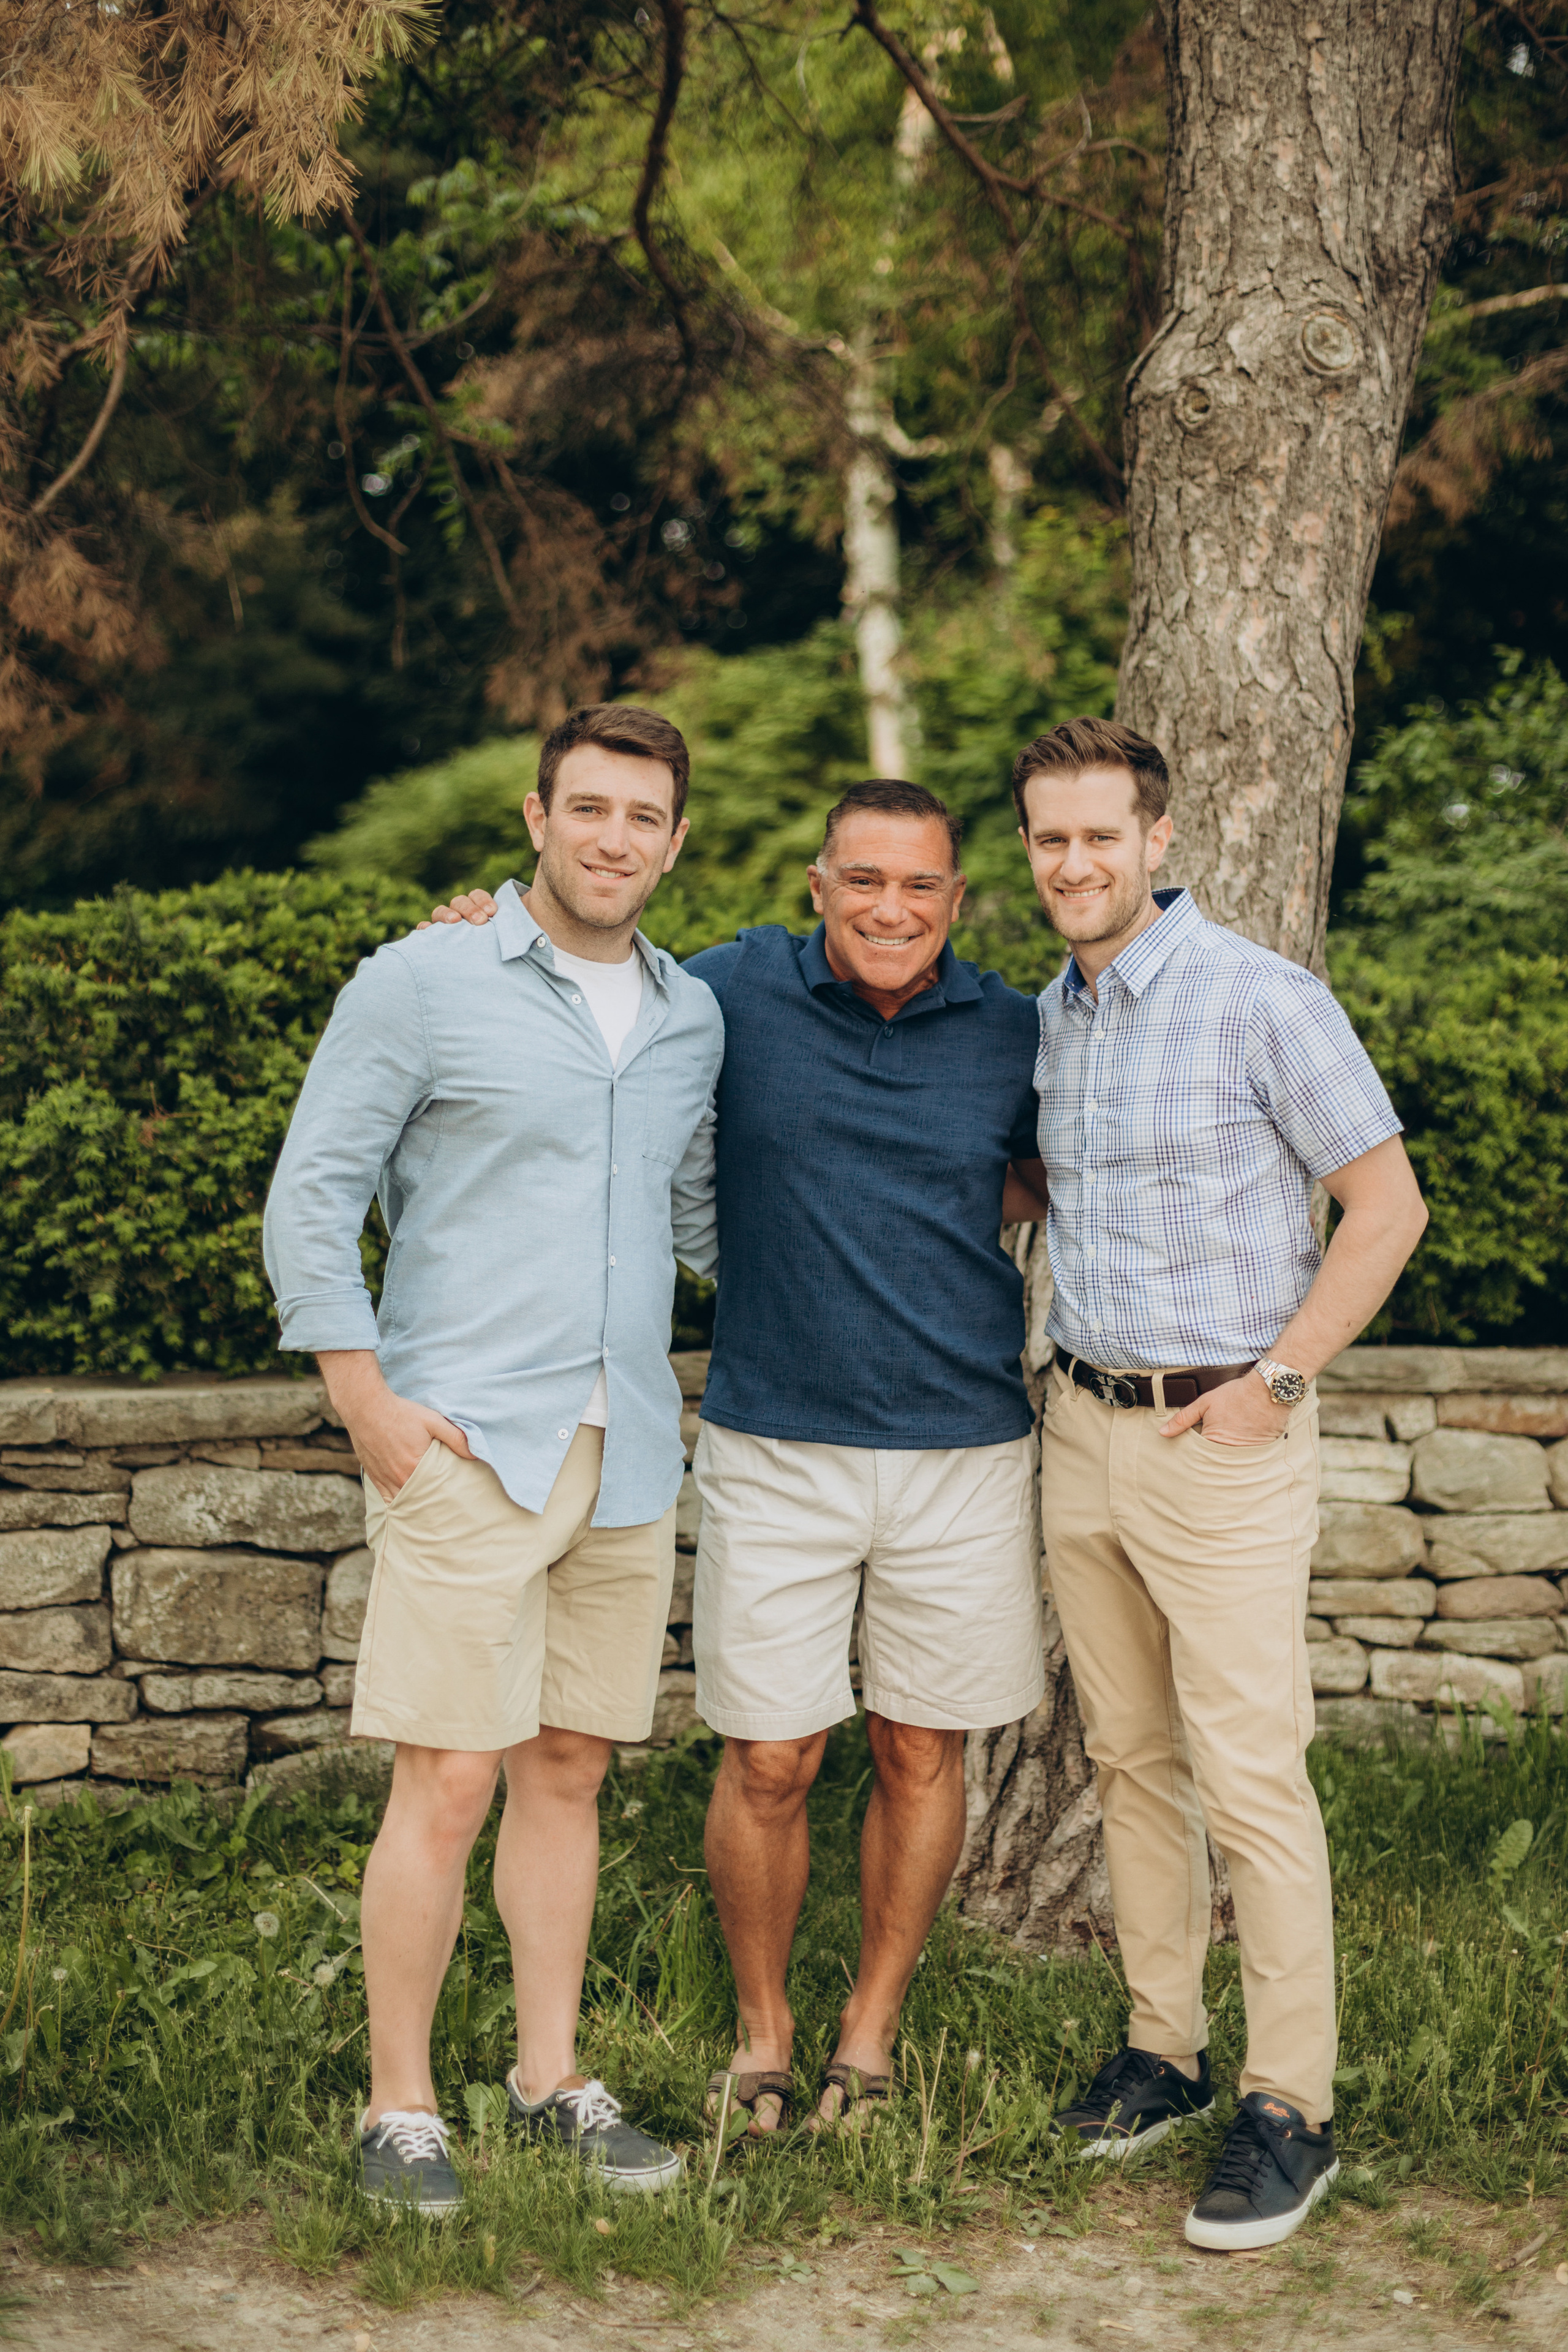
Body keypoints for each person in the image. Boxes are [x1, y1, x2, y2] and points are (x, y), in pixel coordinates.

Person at [429, 777, 1054, 2135]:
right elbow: (582, 983)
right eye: (863, 880)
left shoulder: (1012, 1031)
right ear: (816, 886)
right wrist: (481, 930)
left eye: (921, 887)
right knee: (770, 1760)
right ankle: (761, 2037)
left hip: (962, 1449)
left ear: (955, 901)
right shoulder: (724, 999)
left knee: (917, 1750)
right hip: (775, 1438)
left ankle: (867, 2040)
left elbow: (1054, 1171)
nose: (891, 909)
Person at [263, 703, 724, 2212]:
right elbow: (310, 1195)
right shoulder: (424, 979)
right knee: (449, 1777)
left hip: (621, 1441)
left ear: (674, 839)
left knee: (569, 1769)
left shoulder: (687, 1017)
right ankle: (398, 2105)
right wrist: (364, 1400)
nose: (612, 839)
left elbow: (702, 1221)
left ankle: (546, 2080)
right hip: (463, 1440)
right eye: (585, 809)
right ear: (535, 819)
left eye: (641, 817)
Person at [1014, 716, 1428, 2251]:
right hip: (1082, 1428)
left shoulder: (1262, 998)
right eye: (1049, 840)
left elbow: (1383, 1205)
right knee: (1127, 1757)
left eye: (1099, 837)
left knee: (1251, 1773)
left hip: (1222, 1439)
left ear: (1157, 840)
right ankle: (1164, 2052)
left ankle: (1289, 2105)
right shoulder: (1055, 1017)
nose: (1073, 863)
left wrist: (1277, 1380)